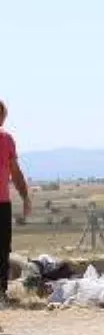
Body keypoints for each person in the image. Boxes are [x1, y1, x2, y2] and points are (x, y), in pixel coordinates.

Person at [0, 101, 32, 305]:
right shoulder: (6, 139)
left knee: (3, 251)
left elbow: (15, 172)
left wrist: (25, 196)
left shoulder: (5, 140)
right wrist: (25, 197)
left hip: (2, 204)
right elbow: (16, 172)